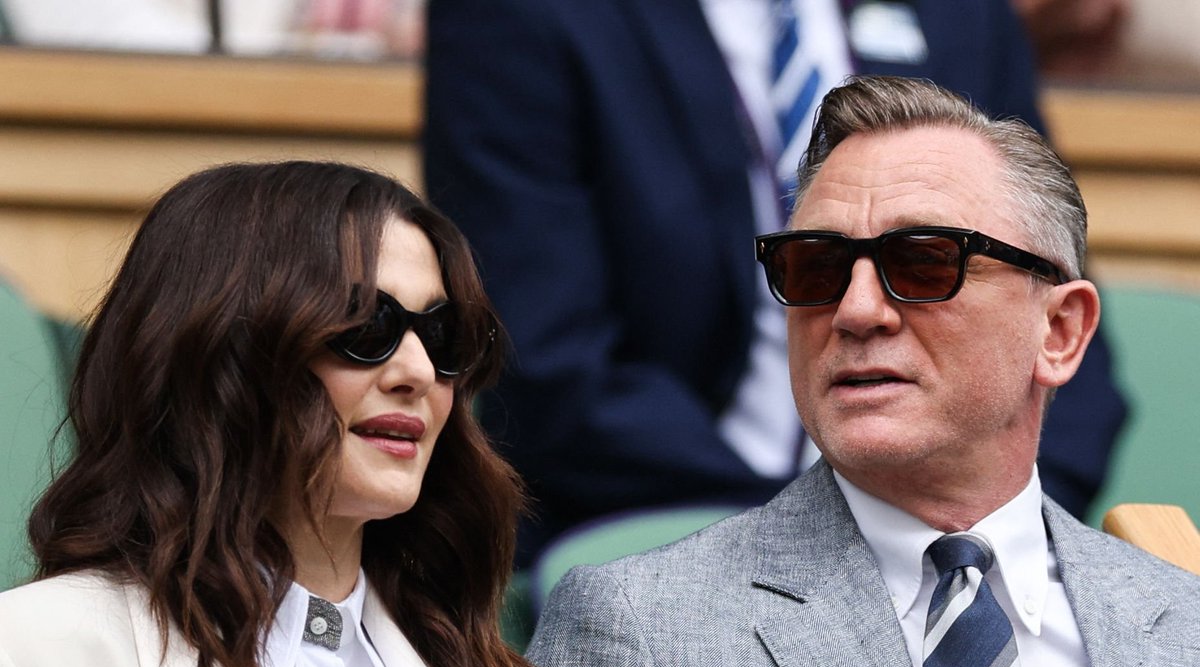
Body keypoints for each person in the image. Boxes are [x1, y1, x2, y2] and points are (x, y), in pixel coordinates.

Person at [527, 76, 1200, 667]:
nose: (856, 310)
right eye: (815, 266)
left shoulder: (1180, 621)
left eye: (923, 262)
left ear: (1060, 332)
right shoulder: (639, 630)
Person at [423, 0, 1127, 565]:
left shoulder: (960, 15)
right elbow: (550, 365)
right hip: (662, 519)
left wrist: (1006, 523)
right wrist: (832, 531)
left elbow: (1045, 309)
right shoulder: (517, 15)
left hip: (957, 527)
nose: (857, 309)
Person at [0, 161, 564, 667]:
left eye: (442, 335)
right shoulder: (27, 664)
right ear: (218, 354)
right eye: (365, 325)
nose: (418, 370)